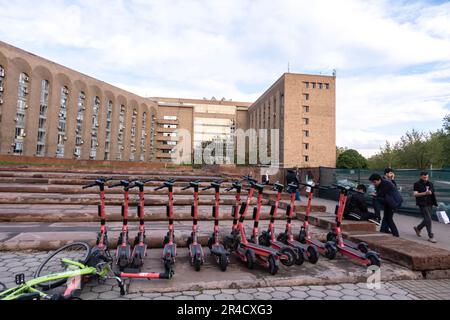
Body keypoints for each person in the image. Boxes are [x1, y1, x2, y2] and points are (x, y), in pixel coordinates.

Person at [413, 172, 438, 243]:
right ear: (421, 177)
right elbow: (415, 194)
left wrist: (430, 192)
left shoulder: (430, 184)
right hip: (422, 203)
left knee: (427, 219)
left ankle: (418, 228)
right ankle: (431, 236)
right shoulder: (417, 184)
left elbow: (432, 192)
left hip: (430, 203)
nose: (426, 178)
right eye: (424, 177)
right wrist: (424, 193)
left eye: (427, 177)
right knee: (428, 218)